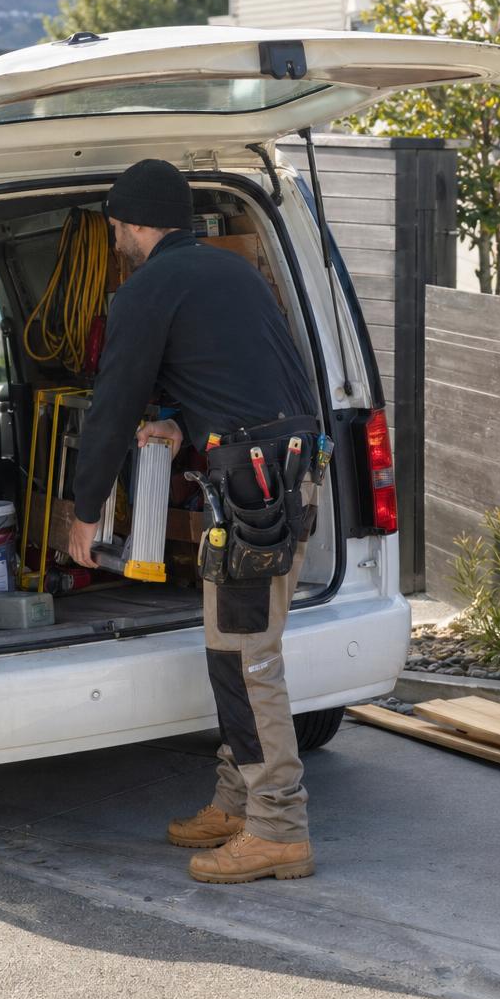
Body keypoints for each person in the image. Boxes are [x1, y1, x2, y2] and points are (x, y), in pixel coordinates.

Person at [67, 158, 322, 884]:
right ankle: (238, 798)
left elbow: (114, 404)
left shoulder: (146, 289)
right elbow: (252, 371)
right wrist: (188, 425)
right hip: (286, 478)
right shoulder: (232, 272)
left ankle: (279, 827)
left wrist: (87, 514)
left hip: (253, 492)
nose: (113, 236)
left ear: (133, 222)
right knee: (230, 647)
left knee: (249, 655)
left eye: (115, 225)